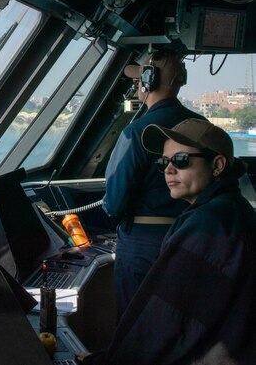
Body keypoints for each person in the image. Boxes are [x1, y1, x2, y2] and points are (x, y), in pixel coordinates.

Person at [77, 118, 256, 364]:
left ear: (217, 165)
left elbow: (165, 320)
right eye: (164, 162)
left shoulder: (208, 225)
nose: (169, 170)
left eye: (181, 160)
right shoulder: (232, 210)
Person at [102, 49, 205, 318]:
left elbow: (114, 202)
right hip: (196, 238)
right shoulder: (203, 127)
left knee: (136, 324)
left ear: (147, 82)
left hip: (144, 245)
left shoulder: (137, 132)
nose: (137, 85)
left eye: (139, 79)